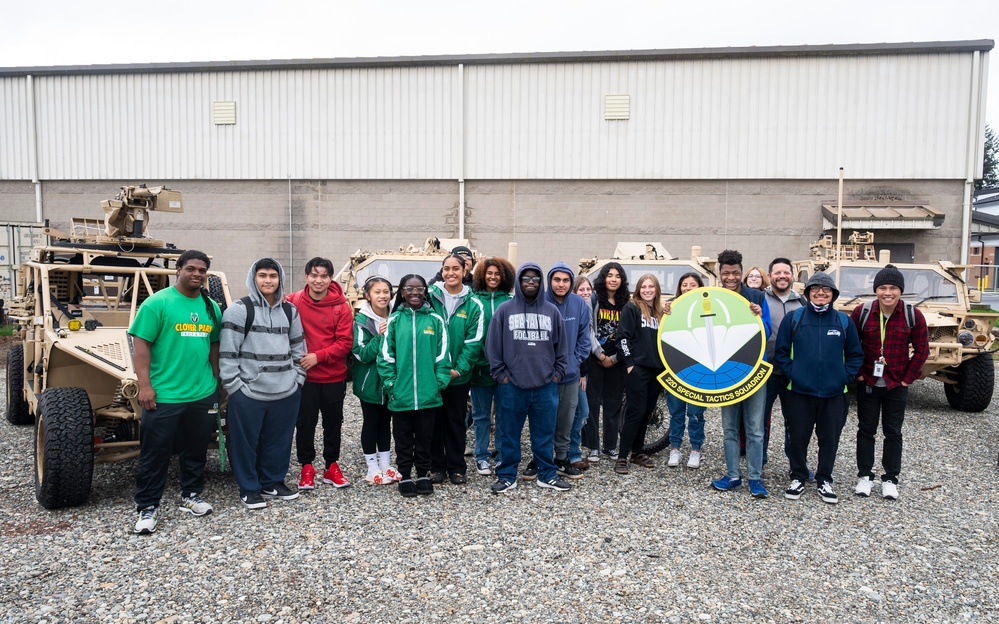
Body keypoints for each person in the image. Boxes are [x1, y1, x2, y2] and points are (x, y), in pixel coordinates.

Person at [129, 250, 222, 534]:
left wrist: (216, 379)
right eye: (191, 269)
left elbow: (214, 345)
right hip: (165, 395)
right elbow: (141, 345)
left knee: (195, 450)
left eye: (202, 270)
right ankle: (147, 507)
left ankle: (190, 496)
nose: (197, 274)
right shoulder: (158, 303)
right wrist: (145, 385)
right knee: (154, 454)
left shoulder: (211, 308)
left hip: (201, 393)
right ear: (178, 270)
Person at [220, 258, 307, 509]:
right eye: (262, 275)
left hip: (286, 391)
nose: (268, 280)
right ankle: (249, 487)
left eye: (273, 275)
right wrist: (235, 387)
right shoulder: (239, 309)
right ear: (253, 278)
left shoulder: (290, 311)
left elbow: (298, 347)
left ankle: (273, 482)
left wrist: (297, 379)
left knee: (279, 441)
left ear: (280, 279)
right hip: (249, 392)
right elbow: (228, 353)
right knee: (245, 443)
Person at [774, 272, 864, 504]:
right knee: (798, 437)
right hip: (799, 392)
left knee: (829, 438)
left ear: (833, 294)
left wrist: (843, 377)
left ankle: (825, 478)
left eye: (826, 290)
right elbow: (782, 354)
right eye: (815, 289)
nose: (821, 293)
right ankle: (798, 476)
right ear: (808, 292)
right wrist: (795, 374)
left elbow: (855, 355)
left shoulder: (843, 321)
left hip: (835, 394)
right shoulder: (794, 318)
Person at [486, 263, 570, 493]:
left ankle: (547, 474)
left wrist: (557, 375)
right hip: (511, 385)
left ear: (540, 282)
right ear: (519, 282)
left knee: (543, 435)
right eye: (526, 279)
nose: (530, 282)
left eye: (535, 279)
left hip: (545, 386)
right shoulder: (504, 310)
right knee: (508, 435)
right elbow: (492, 347)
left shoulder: (551, 311)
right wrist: (501, 376)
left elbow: (563, 348)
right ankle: (506, 476)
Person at [851, 264, 929, 501]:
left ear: (900, 290)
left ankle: (890, 479)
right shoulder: (862, 312)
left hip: (896, 385)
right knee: (866, 430)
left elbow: (922, 350)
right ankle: (865, 476)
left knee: (893, 432)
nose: (888, 292)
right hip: (869, 382)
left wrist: (907, 379)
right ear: (876, 290)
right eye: (883, 287)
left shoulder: (912, 314)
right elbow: (851, 346)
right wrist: (859, 375)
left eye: (893, 287)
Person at [378, 274, 452, 497]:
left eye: (419, 289)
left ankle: (422, 473)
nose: (414, 293)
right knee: (402, 437)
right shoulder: (393, 322)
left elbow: (443, 357)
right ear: (401, 292)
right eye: (409, 288)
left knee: (425, 437)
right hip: (401, 395)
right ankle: (405, 475)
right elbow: (385, 357)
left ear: (425, 291)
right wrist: (392, 385)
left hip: (429, 395)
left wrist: (438, 383)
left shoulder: (435, 321)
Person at [287, 257, 354, 490]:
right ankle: (307, 467)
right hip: (304, 378)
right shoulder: (293, 302)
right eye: (314, 275)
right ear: (306, 276)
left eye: (324, 276)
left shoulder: (341, 306)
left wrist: (318, 356)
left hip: (333, 377)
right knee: (304, 424)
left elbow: (345, 343)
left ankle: (331, 465)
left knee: (333, 423)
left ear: (330, 278)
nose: (319, 280)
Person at [710, 249, 772, 499]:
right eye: (726, 273)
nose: (731, 277)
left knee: (756, 428)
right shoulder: (712, 297)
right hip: (725, 372)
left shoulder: (757, 296)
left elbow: (767, 332)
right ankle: (733, 474)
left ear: (741, 272)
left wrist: (758, 316)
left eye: (736, 273)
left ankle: (755, 478)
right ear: (719, 273)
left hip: (754, 369)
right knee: (729, 427)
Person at [520, 262, 590, 481]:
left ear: (571, 282)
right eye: (557, 280)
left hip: (569, 375)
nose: (561, 284)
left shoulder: (579, 304)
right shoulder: (539, 303)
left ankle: (561, 458)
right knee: (542, 420)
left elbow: (584, 339)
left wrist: (574, 362)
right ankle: (539, 458)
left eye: (566, 280)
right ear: (550, 281)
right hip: (543, 376)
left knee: (566, 419)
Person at [427, 254, 484, 485]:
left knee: (455, 421)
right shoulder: (429, 297)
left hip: (458, 377)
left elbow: (474, 342)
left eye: (456, 269)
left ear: (464, 271)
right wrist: (434, 369)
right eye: (446, 268)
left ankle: (456, 467)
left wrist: (458, 370)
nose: (451, 273)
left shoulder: (473, 304)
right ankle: (436, 467)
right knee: (432, 422)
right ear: (441, 271)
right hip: (431, 374)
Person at [352, 276, 401, 485]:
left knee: (386, 423)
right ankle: (372, 467)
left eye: (386, 291)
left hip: (391, 382)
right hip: (370, 383)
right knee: (371, 422)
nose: (382, 296)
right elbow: (361, 353)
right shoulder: (361, 321)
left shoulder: (398, 316)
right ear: (367, 295)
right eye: (377, 292)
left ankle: (386, 464)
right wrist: (380, 336)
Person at [614, 274, 666, 475]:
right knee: (635, 412)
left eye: (651, 287)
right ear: (638, 289)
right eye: (643, 287)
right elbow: (623, 337)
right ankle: (622, 456)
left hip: (656, 369)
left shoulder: (660, 313)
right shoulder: (632, 308)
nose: (647, 290)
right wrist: (629, 363)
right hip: (637, 369)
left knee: (647, 412)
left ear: (656, 289)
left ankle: (637, 452)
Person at [469, 257, 516, 475]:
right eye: (489, 273)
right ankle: (481, 455)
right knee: (481, 415)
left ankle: (499, 452)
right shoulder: (473, 300)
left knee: (504, 414)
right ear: (482, 275)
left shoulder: (510, 301)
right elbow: (472, 336)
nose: (493, 277)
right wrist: (478, 361)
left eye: (497, 274)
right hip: (480, 369)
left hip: (504, 371)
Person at [761, 257, 806, 468]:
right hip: (766, 371)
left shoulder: (803, 303)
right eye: (777, 273)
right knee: (759, 421)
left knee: (796, 422)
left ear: (792, 276)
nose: (782, 276)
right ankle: (758, 462)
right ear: (769, 277)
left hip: (793, 373)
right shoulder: (760, 300)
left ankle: (797, 466)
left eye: (786, 272)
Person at [583, 262, 630, 463]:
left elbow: (629, 332)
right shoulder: (594, 300)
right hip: (596, 359)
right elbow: (589, 330)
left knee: (613, 404)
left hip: (617, 360)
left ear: (622, 280)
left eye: (617, 276)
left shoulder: (626, 303)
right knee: (592, 403)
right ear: (603, 278)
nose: (613, 279)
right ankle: (592, 447)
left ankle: (610, 446)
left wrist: (617, 357)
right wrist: (600, 355)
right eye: (609, 275)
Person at [665, 272, 707, 469]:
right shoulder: (671, 308)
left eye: (693, 285)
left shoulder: (709, 308)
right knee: (676, 412)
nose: (688, 288)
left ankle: (696, 449)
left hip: (701, 369)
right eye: (684, 285)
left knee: (696, 413)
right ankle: (675, 448)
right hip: (676, 366)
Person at [569, 276, 594, 470]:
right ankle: (571, 451)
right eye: (581, 290)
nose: (585, 293)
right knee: (580, 411)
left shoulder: (588, 309)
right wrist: (580, 371)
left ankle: (573, 450)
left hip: (580, 370)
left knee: (581, 412)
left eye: (588, 289)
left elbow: (585, 345)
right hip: (573, 371)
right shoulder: (575, 310)